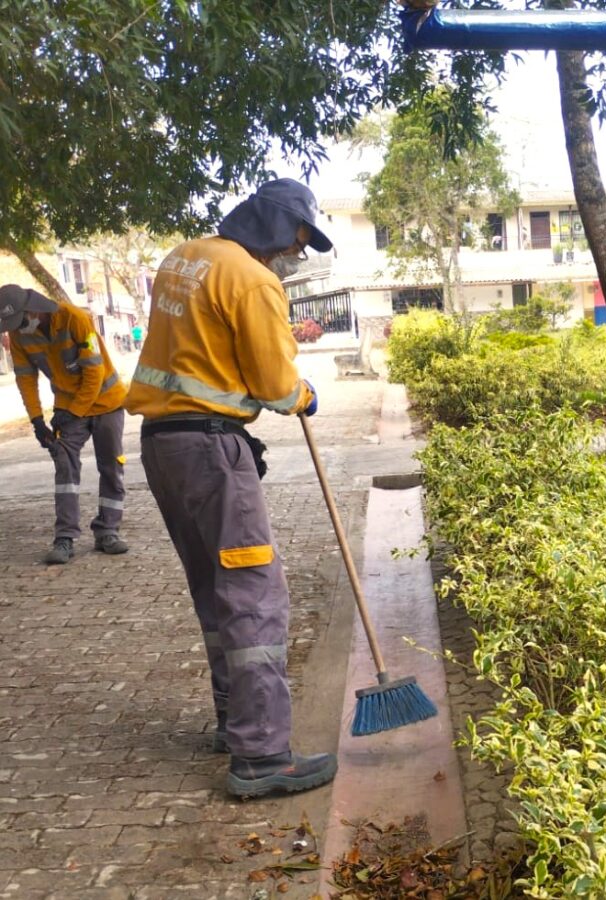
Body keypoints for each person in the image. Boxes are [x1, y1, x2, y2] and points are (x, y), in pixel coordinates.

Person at [124, 178, 337, 799]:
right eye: (295, 243)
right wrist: (305, 395)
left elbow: (207, 350)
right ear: (273, 228)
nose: (293, 257)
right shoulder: (250, 278)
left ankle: (233, 721)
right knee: (253, 593)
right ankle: (263, 754)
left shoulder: (184, 258)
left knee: (213, 587)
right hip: (214, 452)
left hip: (164, 446)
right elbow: (275, 387)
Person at [0, 285, 129, 564]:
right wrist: (36, 421)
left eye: (20, 321)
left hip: (107, 403)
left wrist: (73, 412)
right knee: (64, 461)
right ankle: (65, 538)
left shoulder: (75, 319)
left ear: (33, 309)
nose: (19, 328)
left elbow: (94, 372)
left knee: (110, 465)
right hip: (68, 405)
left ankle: (108, 531)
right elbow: (25, 379)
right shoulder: (19, 336)